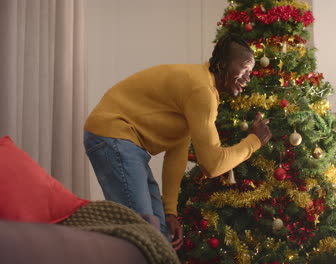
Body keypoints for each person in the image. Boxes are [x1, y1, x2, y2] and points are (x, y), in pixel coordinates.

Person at [83, 33, 272, 250]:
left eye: (251, 71)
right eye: (245, 68)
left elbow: (177, 150)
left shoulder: (200, 86)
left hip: (125, 142)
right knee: (143, 232)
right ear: (222, 65)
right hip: (113, 135)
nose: (249, 77)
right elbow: (212, 165)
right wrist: (253, 142)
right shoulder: (202, 91)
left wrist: (170, 211)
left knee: (160, 231)